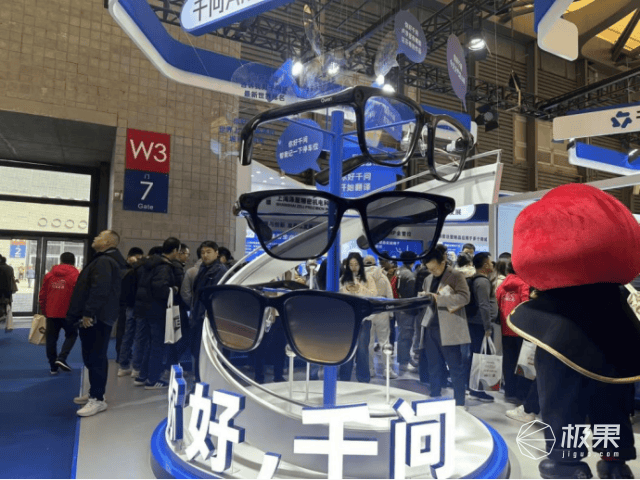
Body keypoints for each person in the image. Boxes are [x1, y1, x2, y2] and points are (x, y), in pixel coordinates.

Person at [509, 184, 639, 480]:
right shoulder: (616, 292)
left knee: (562, 401)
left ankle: (566, 462)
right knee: (612, 402)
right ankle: (613, 461)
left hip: (560, 325)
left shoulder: (553, 298)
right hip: (613, 325)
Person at [66, 230, 127, 417]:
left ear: (107, 242)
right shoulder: (104, 260)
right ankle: (95, 391)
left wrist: (88, 313)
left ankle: (98, 399)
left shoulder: (105, 261)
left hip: (96, 317)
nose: (95, 238)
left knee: (96, 356)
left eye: (99, 236)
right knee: (92, 356)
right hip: (97, 316)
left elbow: (100, 289)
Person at [418, 246, 471, 409]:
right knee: (433, 365)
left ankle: (459, 402)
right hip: (430, 326)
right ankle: (434, 394)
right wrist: (424, 298)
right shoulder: (428, 278)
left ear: (443, 262)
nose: (432, 272)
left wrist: (438, 298)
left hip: (449, 327)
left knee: (455, 367)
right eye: (429, 269)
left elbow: (465, 297)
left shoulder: (456, 275)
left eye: (434, 268)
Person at [135, 237, 182, 389]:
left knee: (149, 344)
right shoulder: (164, 267)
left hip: (146, 309)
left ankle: (142, 376)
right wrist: (173, 289)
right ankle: (153, 380)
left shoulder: (150, 263)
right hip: (158, 310)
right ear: (174, 250)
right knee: (157, 345)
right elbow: (161, 289)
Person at [495, 262, 534, 413]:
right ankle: (520, 394)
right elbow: (525, 305)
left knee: (508, 361)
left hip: (506, 328)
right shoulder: (524, 284)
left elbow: (497, 302)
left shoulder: (503, 284)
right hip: (520, 329)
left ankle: (509, 392)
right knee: (522, 363)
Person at [190, 241, 227, 382]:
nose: (205, 255)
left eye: (208, 252)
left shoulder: (219, 270)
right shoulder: (203, 268)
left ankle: (205, 383)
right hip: (199, 315)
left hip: (209, 317)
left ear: (216, 253)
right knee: (198, 351)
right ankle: (199, 381)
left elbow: (215, 296)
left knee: (207, 352)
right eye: (202, 252)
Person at [463, 252, 497, 403]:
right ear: (484, 265)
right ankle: (478, 390)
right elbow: (484, 305)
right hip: (480, 325)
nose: (492, 264)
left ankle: (471, 386)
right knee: (481, 357)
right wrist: (487, 327)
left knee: (476, 356)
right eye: (490, 262)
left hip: (475, 324)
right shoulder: (482, 282)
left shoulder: (475, 280)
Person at [39, 252, 80, 375]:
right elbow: (79, 296)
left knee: (51, 339)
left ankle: (53, 367)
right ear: (74, 262)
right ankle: (62, 357)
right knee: (72, 335)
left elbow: (42, 294)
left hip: (51, 312)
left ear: (60, 261)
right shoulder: (76, 276)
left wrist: (44, 310)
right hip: (69, 313)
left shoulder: (49, 275)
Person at [338, 252, 376, 383]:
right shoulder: (343, 279)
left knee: (362, 350)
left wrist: (360, 287)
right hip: (347, 319)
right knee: (347, 348)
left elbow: (374, 295)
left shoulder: (368, 279)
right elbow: (338, 296)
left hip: (364, 319)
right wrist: (346, 289)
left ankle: (363, 379)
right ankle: (344, 379)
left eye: (356, 264)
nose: (354, 267)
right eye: (351, 264)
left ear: (360, 264)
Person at [363, 255, 396, 379]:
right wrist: (391, 313)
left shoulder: (361, 277)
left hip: (368, 311)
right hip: (382, 309)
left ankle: (370, 369)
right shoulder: (382, 275)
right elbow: (389, 294)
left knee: (369, 343)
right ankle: (388, 370)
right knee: (384, 342)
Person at [115, 247, 144, 362]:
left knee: (130, 331)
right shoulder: (123, 269)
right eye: (137, 258)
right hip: (124, 303)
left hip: (131, 303)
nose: (138, 261)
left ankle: (126, 353)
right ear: (129, 257)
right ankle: (120, 354)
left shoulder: (136, 270)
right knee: (123, 330)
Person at [395, 251, 417, 374]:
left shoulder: (399, 271)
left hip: (398, 306)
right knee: (406, 335)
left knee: (403, 334)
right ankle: (403, 362)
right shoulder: (409, 275)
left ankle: (405, 358)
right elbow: (411, 295)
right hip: (407, 308)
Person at [0, 255, 16, 325]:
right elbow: (12, 277)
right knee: (8, 302)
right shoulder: (10, 268)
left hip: (1, 288)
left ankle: (2, 315)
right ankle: (7, 316)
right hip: (8, 288)